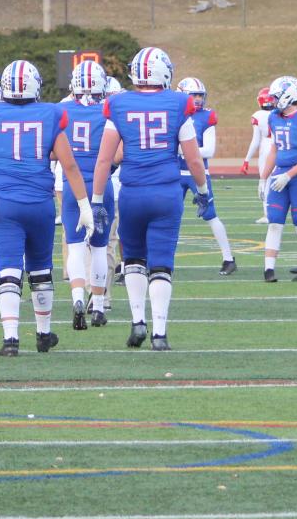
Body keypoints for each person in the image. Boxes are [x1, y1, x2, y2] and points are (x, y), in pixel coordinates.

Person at [0, 59, 93, 356]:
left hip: (6, 203)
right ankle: (44, 334)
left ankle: (10, 339)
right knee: (40, 269)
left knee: (9, 270)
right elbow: (70, 165)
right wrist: (85, 206)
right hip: (40, 203)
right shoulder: (50, 113)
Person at [91, 46, 213, 351]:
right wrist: (202, 191)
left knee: (132, 259)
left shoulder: (118, 104)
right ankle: (159, 333)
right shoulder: (177, 104)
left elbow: (104, 161)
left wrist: (95, 200)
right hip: (166, 192)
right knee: (161, 264)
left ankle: (137, 322)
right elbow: (194, 160)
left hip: (132, 192)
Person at [60, 59, 114, 328]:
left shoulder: (61, 110)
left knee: (76, 248)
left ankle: (77, 298)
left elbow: (51, 152)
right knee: (100, 248)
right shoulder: (110, 110)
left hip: (73, 188)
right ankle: (99, 307)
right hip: (103, 187)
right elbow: (119, 154)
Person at [177, 76, 237, 275]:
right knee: (168, 217)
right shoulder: (173, 114)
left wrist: (183, 150)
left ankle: (228, 258)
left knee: (210, 214)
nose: (198, 99)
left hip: (198, 172)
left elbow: (209, 150)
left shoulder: (206, 116)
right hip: (174, 172)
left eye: (200, 95)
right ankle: (159, 261)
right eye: (193, 95)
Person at [261, 76, 297, 281]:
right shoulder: (274, 118)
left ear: (288, 95)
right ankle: (268, 270)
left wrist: (289, 175)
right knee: (274, 222)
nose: (274, 101)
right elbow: (274, 149)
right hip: (280, 174)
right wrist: (263, 177)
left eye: (276, 96)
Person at [242, 86, 276, 224]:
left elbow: (255, 141)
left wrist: (246, 160)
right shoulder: (280, 113)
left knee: (265, 181)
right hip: (279, 145)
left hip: (266, 146)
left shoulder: (258, 115)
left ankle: (268, 214)